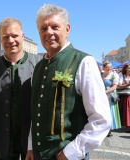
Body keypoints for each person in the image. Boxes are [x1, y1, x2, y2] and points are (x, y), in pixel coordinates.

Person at [28, 4, 111, 160]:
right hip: (39, 154)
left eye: (55, 27)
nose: (49, 33)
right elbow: (36, 112)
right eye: (43, 28)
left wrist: (70, 153)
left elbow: (101, 119)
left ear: (67, 29)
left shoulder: (84, 62)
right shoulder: (38, 66)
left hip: (67, 155)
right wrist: (31, 146)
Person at [0, 17, 41, 160]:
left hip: (31, 139)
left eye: (14, 36)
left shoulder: (38, 63)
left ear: (22, 36)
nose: (10, 40)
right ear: (1, 39)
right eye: (5, 37)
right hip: (2, 138)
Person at [101, 61, 121, 137]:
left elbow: (114, 86)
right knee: (103, 112)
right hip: (103, 95)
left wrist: (105, 92)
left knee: (110, 112)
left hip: (111, 95)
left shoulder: (114, 75)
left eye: (110, 67)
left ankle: (109, 129)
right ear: (104, 68)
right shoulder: (102, 74)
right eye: (107, 67)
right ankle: (103, 129)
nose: (109, 68)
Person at [118, 63, 130, 132]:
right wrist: (128, 84)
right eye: (129, 68)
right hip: (126, 96)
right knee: (127, 111)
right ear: (125, 68)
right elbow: (119, 86)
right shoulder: (122, 75)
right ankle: (127, 126)